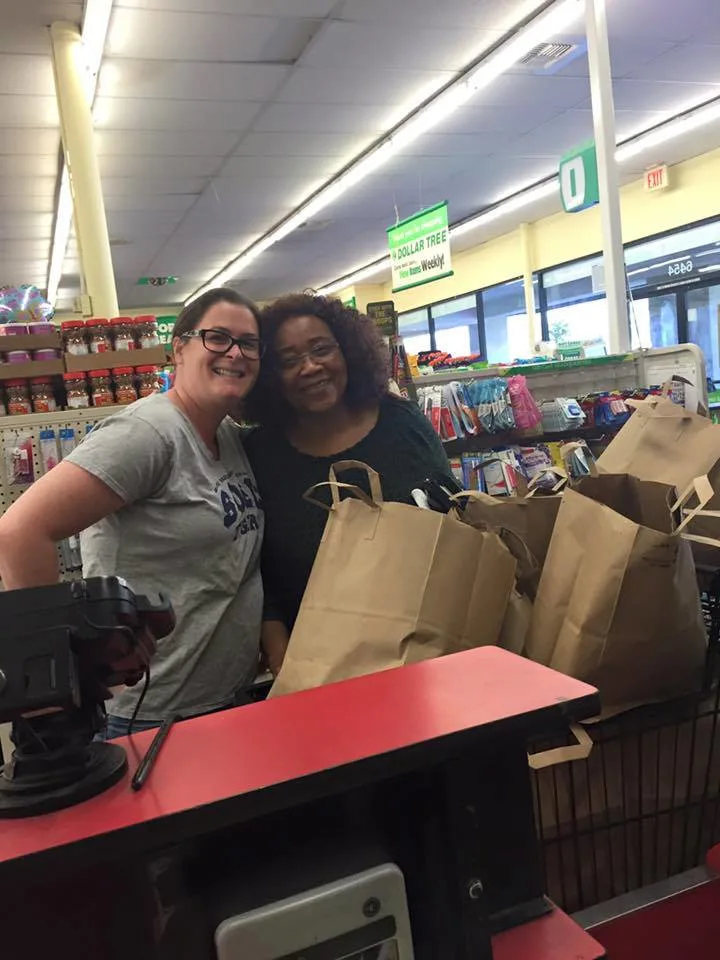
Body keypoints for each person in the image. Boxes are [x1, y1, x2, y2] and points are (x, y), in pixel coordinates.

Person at [0, 288, 265, 738]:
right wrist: (58, 677)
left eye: (249, 343)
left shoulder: (225, 434)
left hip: (223, 698)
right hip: (152, 715)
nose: (235, 353)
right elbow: (19, 530)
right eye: (218, 337)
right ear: (179, 349)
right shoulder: (148, 433)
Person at [243, 293, 455, 678]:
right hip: (320, 667)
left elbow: (455, 522)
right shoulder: (261, 453)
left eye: (321, 349)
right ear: (270, 376)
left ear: (348, 351)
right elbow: (262, 575)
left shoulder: (402, 423)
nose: (310, 367)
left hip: (429, 650)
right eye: (288, 361)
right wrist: (282, 659)